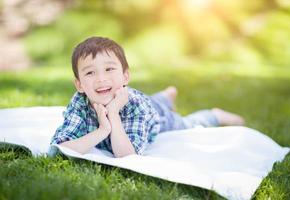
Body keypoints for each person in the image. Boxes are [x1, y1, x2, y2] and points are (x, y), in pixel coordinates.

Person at [49, 36, 245, 158]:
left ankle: (215, 115)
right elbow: (59, 148)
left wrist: (114, 116)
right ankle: (166, 96)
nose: (101, 79)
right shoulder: (80, 102)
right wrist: (102, 130)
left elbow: (127, 156)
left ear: (125, 76)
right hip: (147, 102)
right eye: (90, 73)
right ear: (79, 85)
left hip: (155, 116)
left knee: (185, 124)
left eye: (109, 69)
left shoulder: (136, 105)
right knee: (157, 101)